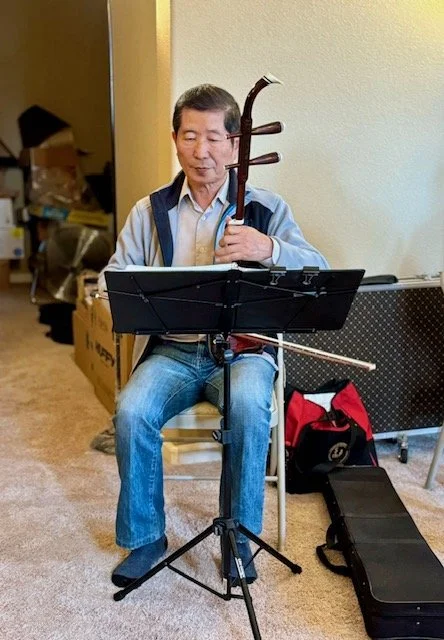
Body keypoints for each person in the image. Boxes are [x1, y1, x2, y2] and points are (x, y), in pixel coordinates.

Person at [99, 84, 329, 587]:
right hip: (174, 352)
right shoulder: (150, 211)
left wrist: (268, 247)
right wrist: (128, 294)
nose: (201, 151)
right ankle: (146, 537)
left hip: (245, 352)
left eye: (213, 137)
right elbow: (111, 278)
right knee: (132, 411)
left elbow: (319, 269)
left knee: (248, 407)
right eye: (189, 136)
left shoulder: (266, 207)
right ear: (175, 140)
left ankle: (238, 539)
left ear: (235, 144)